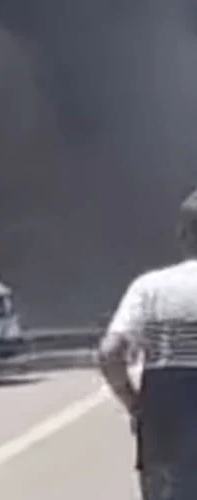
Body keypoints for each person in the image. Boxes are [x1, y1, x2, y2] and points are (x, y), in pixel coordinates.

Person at [99, 188, 197, 500]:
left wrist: (136, 405)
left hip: (165, 406)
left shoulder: (150, 288)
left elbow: (110, 352)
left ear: (183, 235)